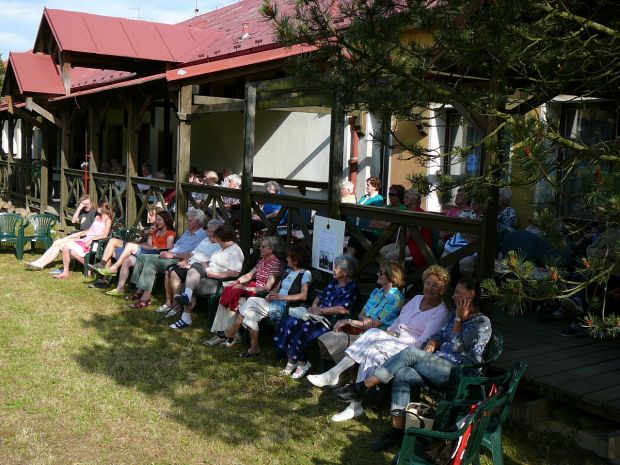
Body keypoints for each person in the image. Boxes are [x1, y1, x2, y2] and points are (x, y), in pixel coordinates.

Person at [332, 276, 491, 451]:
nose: (454, 296)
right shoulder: (454, 315)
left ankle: (363, 386)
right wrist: (433, 342)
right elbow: (439, 335)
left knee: (409, 353)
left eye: (458, 292)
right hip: (439, 364)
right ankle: (396, 431)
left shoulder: (482, 323)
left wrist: (460, 320)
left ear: (471, 295)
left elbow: (457, 346)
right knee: (403, 374)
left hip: (460, 373)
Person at [310, 265, 450, 422]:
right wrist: (391, 331)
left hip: (408, 351)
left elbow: (420, 342)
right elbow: (398, 321)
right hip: (392, 340)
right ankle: (355, 406)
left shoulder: (441, 312)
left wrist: (395, 335)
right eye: (428, 283)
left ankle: (335, 374)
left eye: (435, 285)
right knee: (371, 351)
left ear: (443, 289)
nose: (430, 287)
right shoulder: (416, 299)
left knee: (373, 333)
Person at [207, 244, 311, 358]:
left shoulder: (305, 274)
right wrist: (271, 294)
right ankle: (254, 348)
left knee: (251, 301)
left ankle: (232, 331)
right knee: (250, 314)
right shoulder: (287, 271)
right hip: (274, 303)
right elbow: (277, 289)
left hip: (285, 307)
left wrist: (281, 297)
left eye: (289, 257)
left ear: (296, 260)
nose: (287, 259)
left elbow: (303, 296)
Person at [274, 254, 360, 379]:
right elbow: (320, 297)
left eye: (336, 267)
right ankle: (291, 360)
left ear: (345, 272)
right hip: (315, 315)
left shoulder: (352, 288)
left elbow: (343, 309)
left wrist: (321, 311)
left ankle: (303, 362)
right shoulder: (334, 282)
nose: (333, 269)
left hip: (329, 320)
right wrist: (314, 306)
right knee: (288, 322)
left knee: (303, 329)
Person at [203, 235, 284, 344]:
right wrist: (237, 282)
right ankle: (221, 332)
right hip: (253, 290)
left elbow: (267, 287)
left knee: (235, 300)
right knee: (227, 295)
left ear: (271, 249)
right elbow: (249, 275)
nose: (260, 248)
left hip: (261, 295)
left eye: (263, 246)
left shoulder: (275, 264)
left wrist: (244, 287)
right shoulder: (262, 261)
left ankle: (229, 335)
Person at [126, 209, 208, 309]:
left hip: (178, 259)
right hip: (171, 254)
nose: (187, 222)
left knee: (151, 263)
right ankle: (139, 291)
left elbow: (192, 254)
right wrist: (168, 251)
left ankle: (145, 298)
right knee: (143, 257)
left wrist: (173, 255)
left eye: (190, 220)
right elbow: (176, 245)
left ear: (198, 222)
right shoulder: (187, 232)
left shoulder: (203, 237)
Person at [171, 223, 244, 329]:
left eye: (218, 238)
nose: (216, 241)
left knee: (189, 284)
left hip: (219, 282)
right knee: (194, 269)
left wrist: (214, 274)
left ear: (224, 238)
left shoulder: (235, 251)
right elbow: (211, 262)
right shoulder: (221, 248)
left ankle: (185, 317)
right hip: (208, 275)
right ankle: (186, 303)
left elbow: (234, 273)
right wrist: (203, 265)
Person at [157, 219, 224, 316]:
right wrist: (184, 261)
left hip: (198, 269)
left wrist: (190, 265)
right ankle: (169, 303)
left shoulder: (219, 245)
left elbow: (211, 263)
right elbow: (191, 253)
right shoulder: (205, 240)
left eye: (212, 232)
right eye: (208, 231)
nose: (209, 234)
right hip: (190, 264)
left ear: (219, 232)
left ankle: (176, 306)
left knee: (173, 272)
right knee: (168, 270)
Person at [99, 211, 176, 295]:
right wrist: (151, 233)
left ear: (166, 220)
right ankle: (120, 288)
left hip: (156, 254)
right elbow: (149, 245)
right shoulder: (156, 231)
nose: (157, 222)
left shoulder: (170, 233)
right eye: (157, 219)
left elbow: (169, 248)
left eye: (159, 220)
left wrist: (157, 247)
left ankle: (115, 266)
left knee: (130, 246)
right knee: (126, 260)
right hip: (148, 252)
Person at [24, 194, 96, 271]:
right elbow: (73, 221)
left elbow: (92, 230)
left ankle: (39, 264)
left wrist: (77, 234)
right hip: (78, 236)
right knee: (56, 242)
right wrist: (79, 209)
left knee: (58, 243)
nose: (86, 206)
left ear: (92, 202)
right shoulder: (83, 212)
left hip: (82, 238)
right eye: (84, 204)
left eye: (88, 204)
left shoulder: (94, 213)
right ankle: (38, 263)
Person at [53, 201, 115, 279]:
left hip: (95, 243)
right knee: (68, 249)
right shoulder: (97, 217)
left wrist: (92, 239)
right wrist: (80, 235)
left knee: (70, 250)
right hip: (86, 240)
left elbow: (105, 235)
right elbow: (90, 230)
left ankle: (83, 270)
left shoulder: (107, 220)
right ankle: (66, 272)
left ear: (102, 208)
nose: (97, 209)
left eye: (99, 207)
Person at [347, 184, 406, 259]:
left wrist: (382, 223)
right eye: (389, 194)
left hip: (386, 239)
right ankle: (349, 262)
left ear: (399, 196)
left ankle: (346, 261)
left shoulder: (403, 209)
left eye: (392, 194)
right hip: (377, 234)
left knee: (358, 237)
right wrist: (383, 224)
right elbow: (372, 223)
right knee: (357, 237)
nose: (390, 196)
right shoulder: (387, 207)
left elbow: (392, 226)